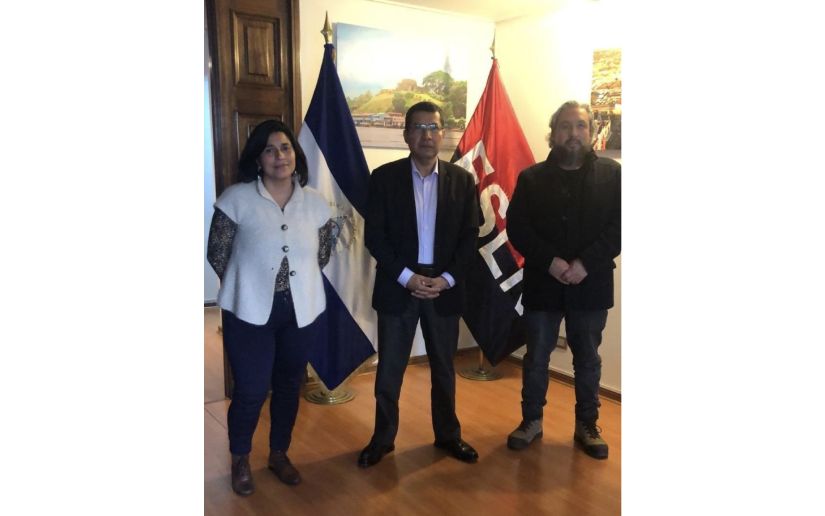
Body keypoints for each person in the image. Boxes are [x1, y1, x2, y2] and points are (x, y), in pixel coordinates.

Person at [207, 120, 338, 494]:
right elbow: (217, 253)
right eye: (269, 149)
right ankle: (240, 458)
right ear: (257, 158)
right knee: (250, 389)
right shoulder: (235, 199)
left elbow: (323, 254)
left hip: (302, 310)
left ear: (295, 154)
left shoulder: (316, 204)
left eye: (285, 147)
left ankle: (279, 453)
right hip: (248, 311)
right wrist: (249, 283)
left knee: (288, 385)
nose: (279, 156)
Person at [358, 102, 480, 468]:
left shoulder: (462, 181)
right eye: (419, 128)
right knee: (390, 370)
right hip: (399, 284)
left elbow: (469, 237)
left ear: (443, 134)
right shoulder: (384, 178)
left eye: (433, 128)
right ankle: (382, 439)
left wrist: (445, 279)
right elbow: (375, 237)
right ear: (406, 134)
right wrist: (408, 277)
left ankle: (448, 435)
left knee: (443, 368)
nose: (427, 135)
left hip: (444, 287)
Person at [505, 100, 620, 459]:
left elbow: (621, 227)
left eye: (581, 126)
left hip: (591, 283)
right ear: (553, 133)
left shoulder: (613, 175)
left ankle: (587, 425)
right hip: (544, 282)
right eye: (566, 126)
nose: (574, 133)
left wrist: (585, 263)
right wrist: (550, 262)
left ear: (591, 131)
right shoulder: (531, 178)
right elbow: (518, 228)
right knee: (536, 357)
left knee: (587, 359)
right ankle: (531, 421)